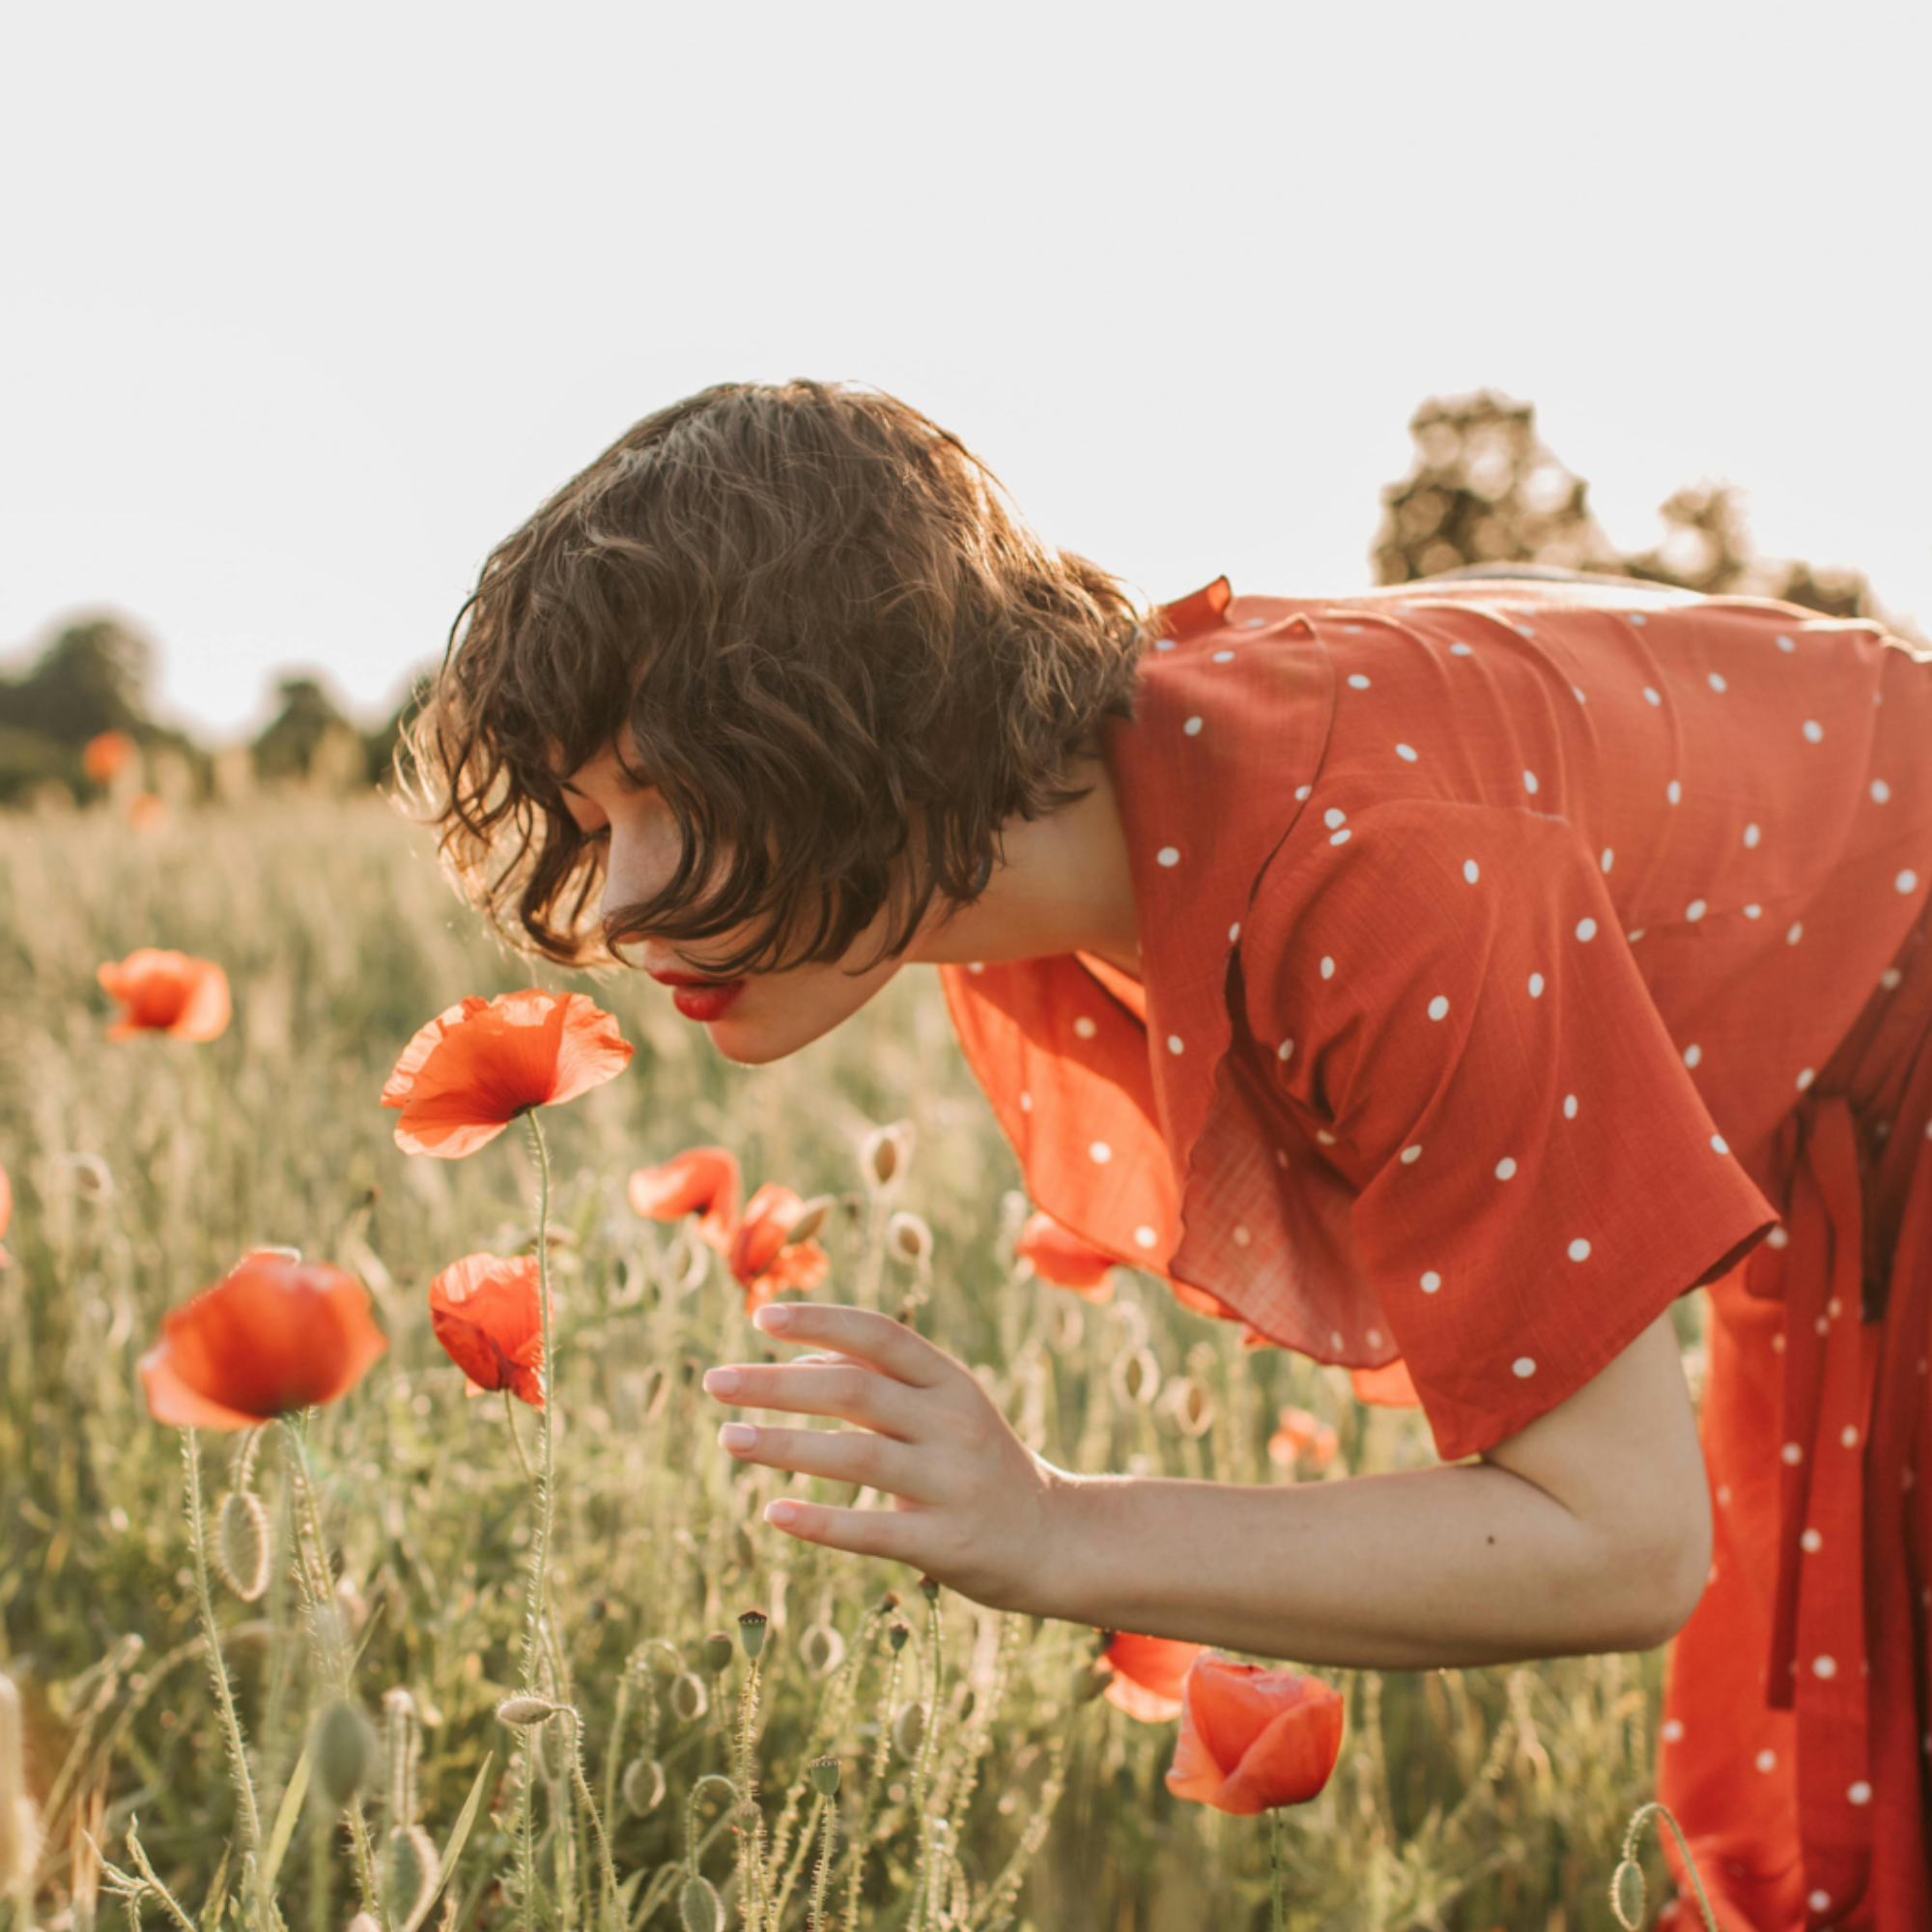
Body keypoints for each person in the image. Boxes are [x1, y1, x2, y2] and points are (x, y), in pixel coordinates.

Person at [406, 380, 1932, 1930]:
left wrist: (1059, 1527)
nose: (621, 904)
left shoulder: (1368, 871)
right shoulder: (1064, 836)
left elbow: (1621, 1543)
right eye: (597, 820)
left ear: (879, 714)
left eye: (675, 792)